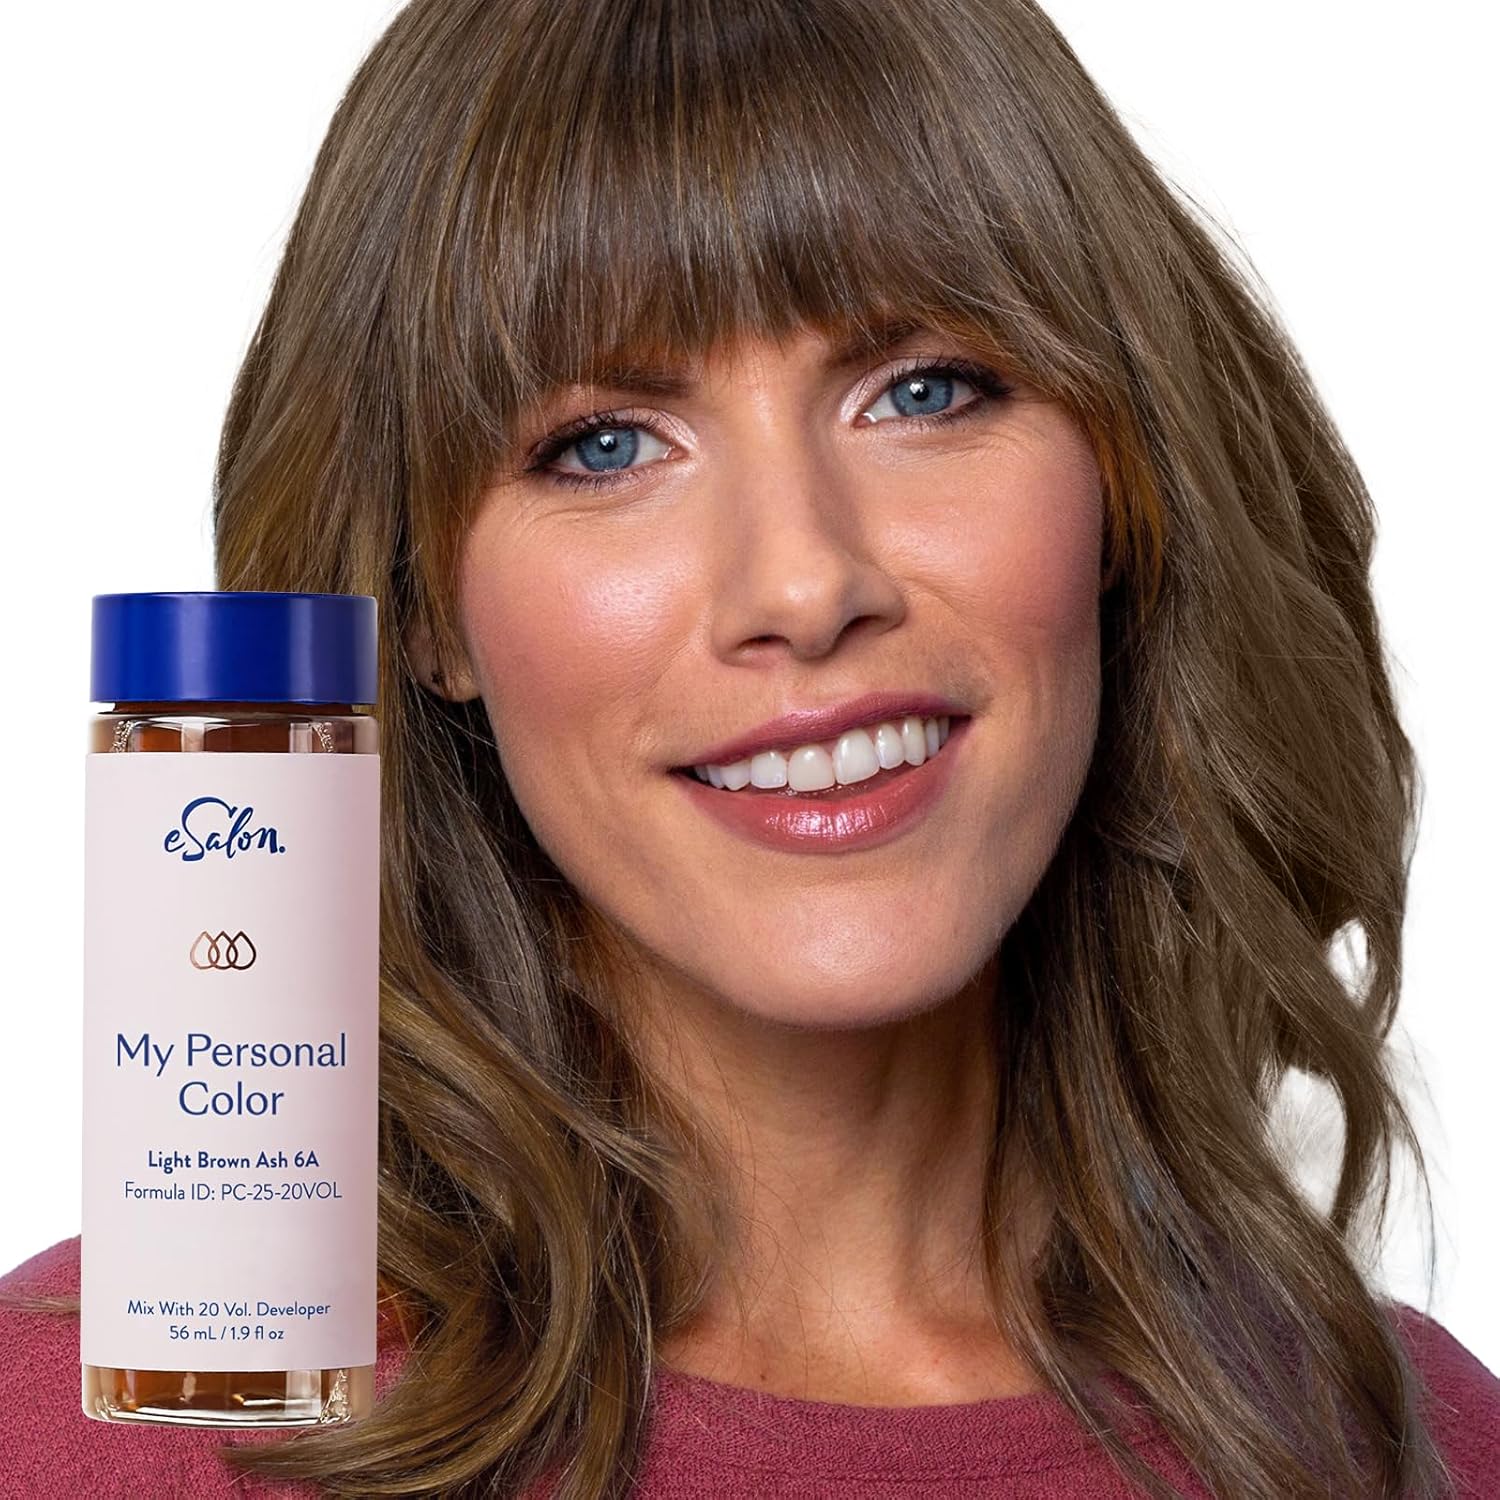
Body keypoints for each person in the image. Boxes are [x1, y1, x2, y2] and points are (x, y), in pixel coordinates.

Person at [3, 0, 1497, 1496]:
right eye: (604, 444)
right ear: (427, 611)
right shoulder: (117, 1420)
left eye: (925, 389)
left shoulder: (1412, 1442)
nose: (804, 582)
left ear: (1124, 486)